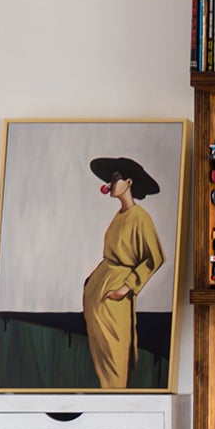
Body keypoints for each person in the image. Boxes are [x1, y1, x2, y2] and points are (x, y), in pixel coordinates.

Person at [82, 157, 167, 390]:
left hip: (114, 301)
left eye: (116, 178)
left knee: (115, 360)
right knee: (101, 363)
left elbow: (155, 258)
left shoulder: (140, 218)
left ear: (129, 182)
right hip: (98, 301)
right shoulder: (119, 217)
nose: (110, 183)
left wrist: (123, 288)